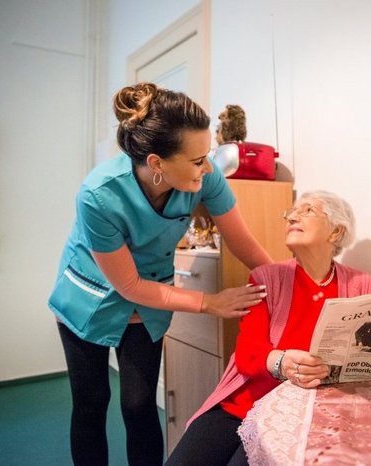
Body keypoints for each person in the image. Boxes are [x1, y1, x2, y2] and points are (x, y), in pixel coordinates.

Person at [48, 82, 271, 466]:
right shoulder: (98, 195)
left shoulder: (205, 175)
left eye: (207, 156)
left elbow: (242, 242)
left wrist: (283, 282)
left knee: (138, 405)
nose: (207, 167)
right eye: (197, 159)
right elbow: (129, 284)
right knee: (91, 402)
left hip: (148, 300)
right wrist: (208, 303)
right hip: (89, 297)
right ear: (156, 163)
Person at [165, 190, 371, 466]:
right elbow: (247, 354)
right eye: (291, 212)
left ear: (335, 232)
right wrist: (282, 362)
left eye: (307, 210)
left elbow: (369, 358)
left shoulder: (364, 287)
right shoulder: (267, 277)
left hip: (298, 416)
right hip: (242, 405)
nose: (292, 216)